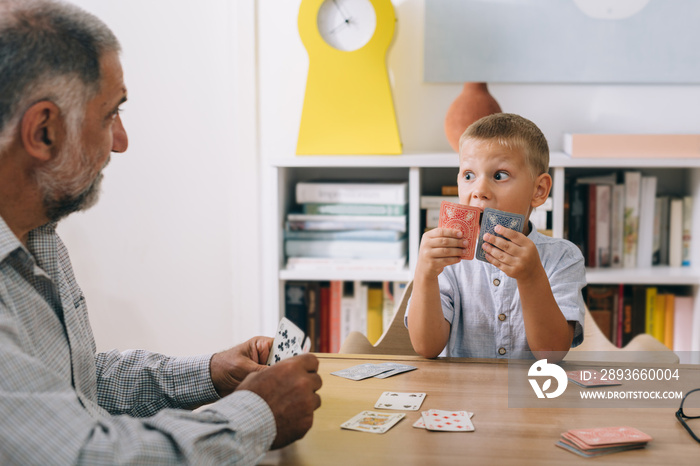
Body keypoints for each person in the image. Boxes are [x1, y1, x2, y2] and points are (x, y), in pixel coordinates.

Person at [0, 0, 321, 464]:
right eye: (111, 114)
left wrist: (210, 374)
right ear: (44, 131)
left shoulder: (38, 237)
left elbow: (75, 386)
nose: (122, 141)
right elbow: (90, 455)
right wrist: (259, 412)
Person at [406, 113, 586, 361]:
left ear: (539, 190)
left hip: (530, 395)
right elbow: (426, 347)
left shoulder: (563, 257)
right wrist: (425, 274)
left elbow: (551, 355)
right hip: (460, 395)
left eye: (499, 175)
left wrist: (532, 276)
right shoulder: (448, 258)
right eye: (469, 175)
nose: (479, 190)